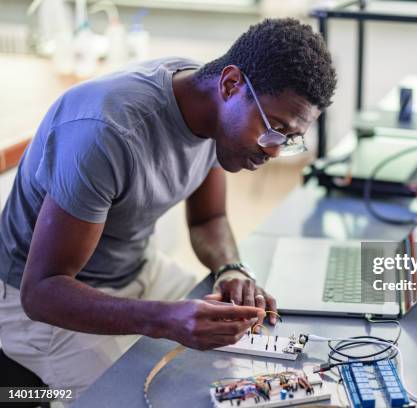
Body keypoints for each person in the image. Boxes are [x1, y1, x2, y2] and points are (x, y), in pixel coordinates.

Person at [0, 18, 337, 396]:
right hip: (37, 302)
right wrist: (162, 318)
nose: (274, 151)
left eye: (290, 138)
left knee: (258, 348)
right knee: (139, 396)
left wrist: (230, 269)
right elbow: (40, 292)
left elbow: (209, 219)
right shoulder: (106, 133)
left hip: (137, 268)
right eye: (273, 128)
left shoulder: (210, 105)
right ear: (230, 85)